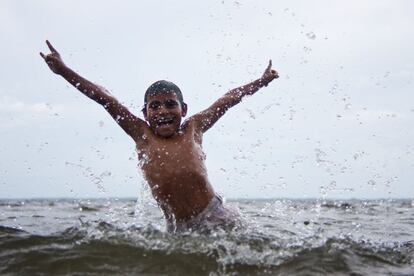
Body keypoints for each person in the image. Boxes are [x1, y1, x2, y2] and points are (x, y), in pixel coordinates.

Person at [40, 40, 279, 233]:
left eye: (169, 104)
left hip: (215, 215)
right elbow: (104, 99)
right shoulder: (141, 134)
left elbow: (227, 100)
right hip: (178, 228)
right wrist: (64, 71)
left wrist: (261, 82)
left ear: (183, 110)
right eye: (154, 106)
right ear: (145, 113)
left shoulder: (193, 128)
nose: (162, 111)